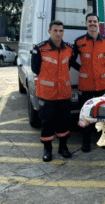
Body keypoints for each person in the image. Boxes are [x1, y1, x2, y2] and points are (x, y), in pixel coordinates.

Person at [71, 13, 105, 152]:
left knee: (103, 114)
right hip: (86, 84)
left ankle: (104, 140)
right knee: (85, 114)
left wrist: (102, 70)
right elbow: (71, 61)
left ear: (98, 24)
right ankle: (86, 142)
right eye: (89, 21)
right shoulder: (79, 41)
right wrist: (82, 70)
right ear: (86, 24)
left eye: (94, 21)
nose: (92, 24)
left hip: (102, 84)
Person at [31, 20, 73, 162]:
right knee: (47, 122)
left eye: (61, 31)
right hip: (47, 94)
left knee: (64, 122)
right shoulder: (40, 48)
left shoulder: (69, 48)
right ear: (49, 31)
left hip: (64, 93)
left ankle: (63, 148)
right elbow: (35, 68)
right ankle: (47, 150)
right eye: (55, 30)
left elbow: (69, 65)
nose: (58, 33)